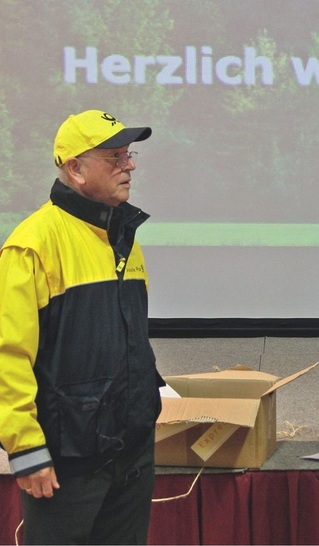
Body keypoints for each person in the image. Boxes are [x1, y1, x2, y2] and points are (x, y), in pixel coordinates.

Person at [0, 110, 164, 544]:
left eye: (128, 155)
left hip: (130, 453)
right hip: (65, 460)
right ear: (75, 168)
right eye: (114, 157)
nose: (129, 165)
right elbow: (7, 356)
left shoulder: (122, 234)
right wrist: (26, 450)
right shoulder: (32, 245)